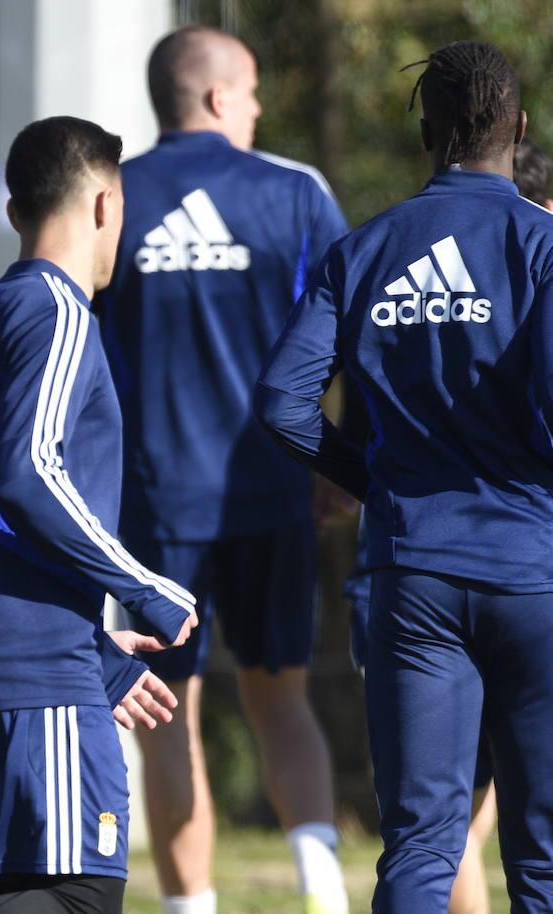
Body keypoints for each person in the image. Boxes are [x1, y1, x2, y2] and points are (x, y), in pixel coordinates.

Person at [256, 39, 553, 914]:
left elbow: (281, 399)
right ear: (522, 128)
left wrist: (374, 477)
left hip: (411, 573)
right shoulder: (541, 246)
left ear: (426, 130)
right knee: (543, 855)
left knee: (422, 843)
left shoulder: (365, 249)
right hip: (535, 570)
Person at [0, 114, 197, 914]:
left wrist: (97, 651)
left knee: (32, 896)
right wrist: (144, 584)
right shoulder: (59, 313)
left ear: (12, 212)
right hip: (29, 677)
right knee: (77, 899)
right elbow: (31, 473)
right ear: (106, 205)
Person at [96, 25, 350, 914]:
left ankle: (190, 908)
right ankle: (324, 894)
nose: (258, 107)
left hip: (155, 504)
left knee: (174, 713)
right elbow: (345, 342)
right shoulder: (294, 193)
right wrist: (338, 464)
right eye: (248, 92)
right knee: (282, 698)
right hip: (276, 492)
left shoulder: (112, 198)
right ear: (213, 97)